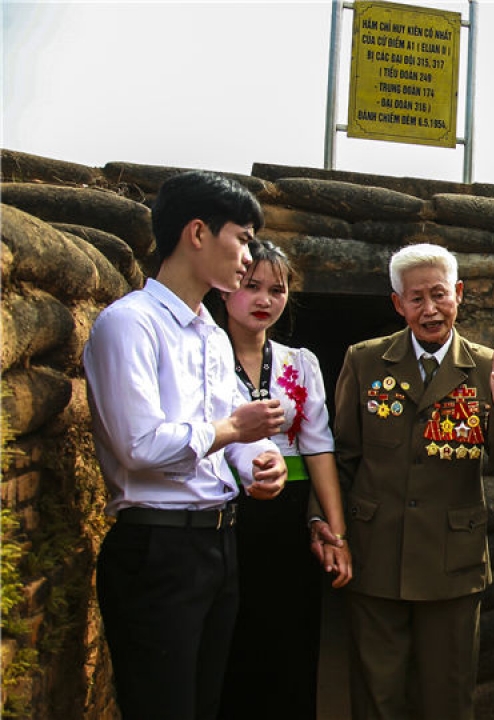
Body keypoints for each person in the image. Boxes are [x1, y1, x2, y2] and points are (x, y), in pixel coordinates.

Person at [82, 170, 288, 720]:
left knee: (204, 704)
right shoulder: (129, 324)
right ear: (197, 233)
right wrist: (233, 433)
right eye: (242, 237)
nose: (249, 255)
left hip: (218, 543)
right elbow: (141, 446)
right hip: (157, 549)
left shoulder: (212, 334)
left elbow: (231, 430)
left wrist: (258, 462)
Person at [332, 242, 494, 720]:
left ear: (459, 294)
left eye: (439, 295)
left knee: (447, 695)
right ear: (397, 304)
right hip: (375, 554)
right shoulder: (365, 361)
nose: (429, 310)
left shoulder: (487, 366)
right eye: (416, 298)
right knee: (375, 695)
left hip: (452, 563)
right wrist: (332, 530)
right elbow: (343, 457)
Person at [212, 240, 352, 720]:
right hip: (224, 507)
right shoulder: (202, 355)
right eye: (252, 286)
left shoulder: (299, 362)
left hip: (287, 515)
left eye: (278, 289)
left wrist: (336, 530)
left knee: (289, 635)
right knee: (230, 634)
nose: (265, 300)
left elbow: (318, 446)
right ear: (228, 286)